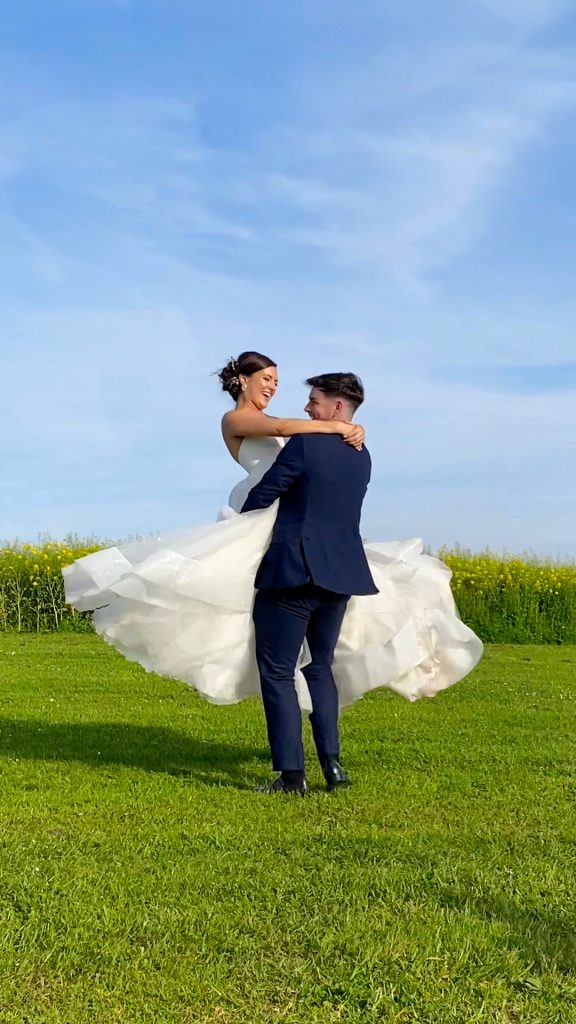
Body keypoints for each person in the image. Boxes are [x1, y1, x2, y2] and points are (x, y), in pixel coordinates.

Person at [63, 350, 482, 726]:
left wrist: (345, 427)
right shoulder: (237, 420)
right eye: (266, 379)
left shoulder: (303, 434)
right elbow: (283, 426)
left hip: (293, 516)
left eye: (277, 382)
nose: (272, 387)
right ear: (243, 381)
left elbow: (301, 446)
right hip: (261, 511)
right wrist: (343, 426)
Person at [241, 372, 377, 795]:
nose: (307, 408)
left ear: (337, 407)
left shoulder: (305, 444)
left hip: (293, 572)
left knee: (278, 671)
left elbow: (267, 492)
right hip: (341, 576)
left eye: (314, 401)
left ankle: (292, 775)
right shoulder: (362, 455)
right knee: (320, 667)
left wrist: (237, 525)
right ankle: (333, 767)